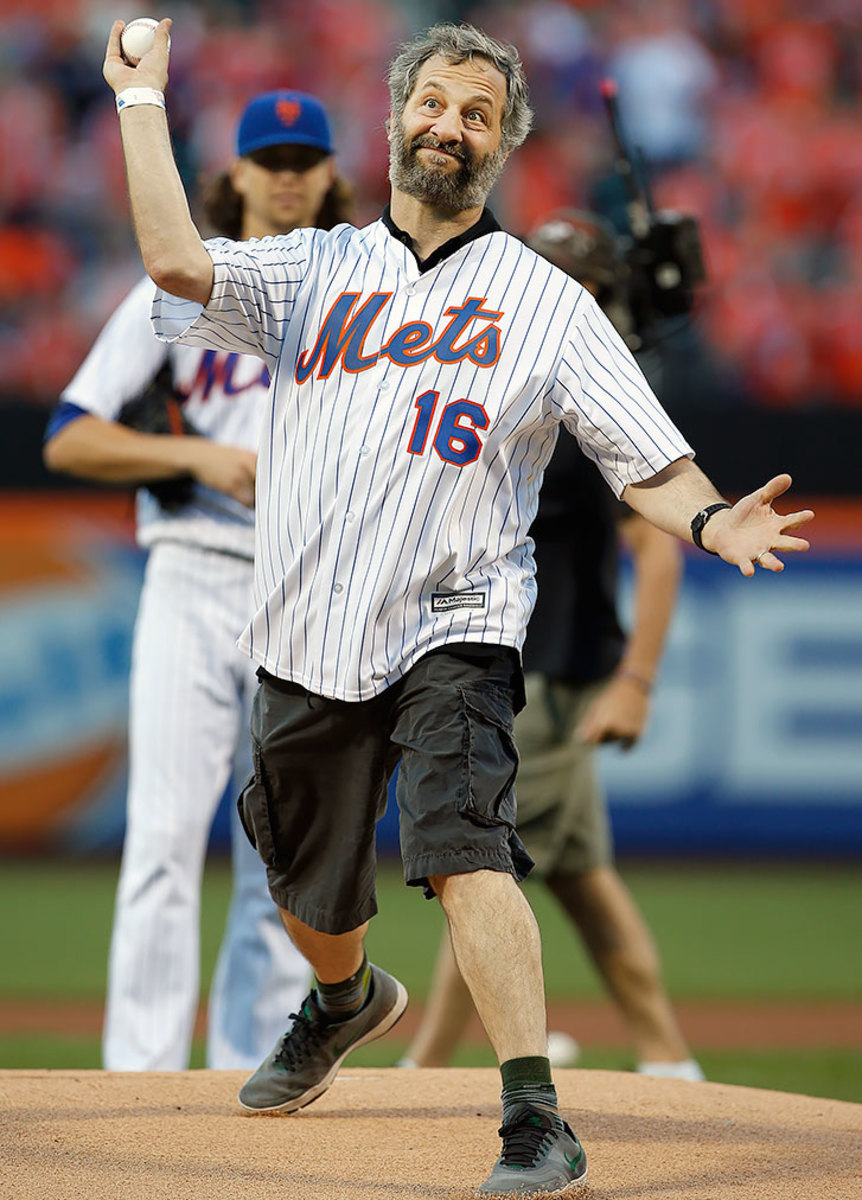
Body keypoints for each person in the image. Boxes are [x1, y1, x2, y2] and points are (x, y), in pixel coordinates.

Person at [101, 18, 813, 1196]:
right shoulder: (312, 266)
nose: (450, 125)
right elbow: (177, 264)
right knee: (302, 884)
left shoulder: (547, 302)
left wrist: (710, 520)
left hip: (458, 622)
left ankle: (535, 1120)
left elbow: (646, 458)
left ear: (502, 145)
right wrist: (139, 100)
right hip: (308, 631)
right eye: (434, 102)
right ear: (397, 119)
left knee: (469, 852)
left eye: (478, 113)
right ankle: (344, 999)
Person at [42, 88, 354, 1071]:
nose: (288, 176)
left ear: (330, 175)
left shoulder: (358, 298)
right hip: (192, 574)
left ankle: (247, 1064)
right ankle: (137, 1075)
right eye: (272, 160)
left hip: (306, 594)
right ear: (237, 175)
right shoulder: (182, 287)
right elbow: (71, 435)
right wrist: (192, 457)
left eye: (304, 160)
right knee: (164, 839)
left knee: (280, 856)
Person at [400, 211, 704, 1081]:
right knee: (581, 879)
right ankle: (669, 1059)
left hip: (550, 678)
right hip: (542, 667)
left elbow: (657, 553)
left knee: (475, 870)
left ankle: (428, 1064)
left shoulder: (597, 402)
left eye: (581, 280)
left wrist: (636, 681)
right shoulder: (528, 379)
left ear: (605, 296)